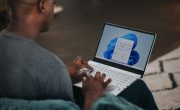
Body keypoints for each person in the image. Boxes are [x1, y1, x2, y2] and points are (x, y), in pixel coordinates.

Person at [0, 0, 158, 110]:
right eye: (53, 2)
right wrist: (92, 97)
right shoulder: (49, 66)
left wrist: (65, 76)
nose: (54, 7)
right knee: (138, 88)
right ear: (42, 5)